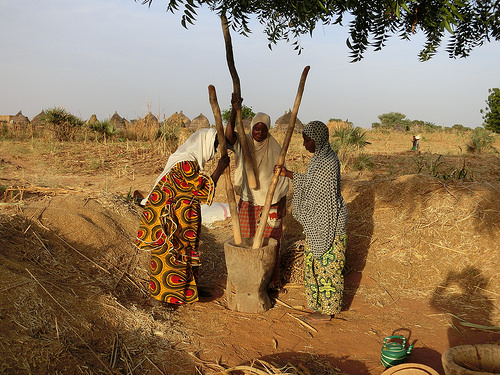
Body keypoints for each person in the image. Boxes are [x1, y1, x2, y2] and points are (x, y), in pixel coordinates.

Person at [134, 128, 230, 308]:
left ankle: (182, 293)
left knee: (181, 254)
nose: (214, 152)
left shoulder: (188, 161)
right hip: (169, 220)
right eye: (214, 146)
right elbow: (202, 191)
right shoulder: (186, 164)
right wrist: (220, 168)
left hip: (177, 217)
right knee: (170, 255)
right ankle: (162, 299)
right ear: (204, 145)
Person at [275, 121, 348, 322]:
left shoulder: (327, 162)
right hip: (319, 224)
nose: (305, 144)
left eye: (307, 140)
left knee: (328, 269)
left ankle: (327, 312)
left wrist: (289, 175)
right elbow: (311, 183)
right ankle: (320, 307)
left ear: (317, 139)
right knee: (316, 267)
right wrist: (288, 174)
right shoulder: (319, 159)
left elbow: (320, 194)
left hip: (329, 224)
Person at [225, 94, 289, 289]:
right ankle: (245, 278)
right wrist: (234, 111)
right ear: (251, 128)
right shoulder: (244, 143)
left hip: (271, 203)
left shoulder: (275, 147)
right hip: (249, 201)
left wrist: (282, 205)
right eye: (256, 128)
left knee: (270, 243)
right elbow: (228, 136)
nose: (259, 132)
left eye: (263, 129)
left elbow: (283, 178)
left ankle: (270, 280)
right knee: (245, 239)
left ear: (267, 130)